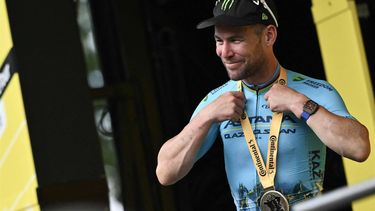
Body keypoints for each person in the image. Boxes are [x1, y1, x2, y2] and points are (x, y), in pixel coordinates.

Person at [156, 0, 371, 210]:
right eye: (219, 41)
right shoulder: (217, 100)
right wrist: (206, 117)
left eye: (235, 40)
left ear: (269, 36)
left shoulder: (313, 91)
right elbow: (165, 172)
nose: (224, 52)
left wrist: (300, 104)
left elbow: (359, 148)